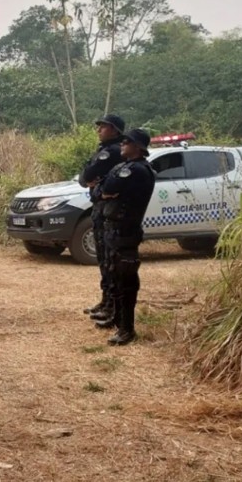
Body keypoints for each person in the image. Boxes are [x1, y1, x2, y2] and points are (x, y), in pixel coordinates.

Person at [95, 129, 156, 346]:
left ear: (138, 147)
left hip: (126, 231)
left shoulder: (139, 170)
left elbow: (108, 187)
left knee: (126, 279)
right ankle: (117, 318)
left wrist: (106, 191)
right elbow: (98, 192)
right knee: (113, 274)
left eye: (127, 141)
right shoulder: (122, 167)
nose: (122, 144)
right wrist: (104, 192)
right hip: (113, 228)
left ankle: (127, 329)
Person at [78, 114, 127, 323]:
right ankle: (106, 300)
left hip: (109, 208)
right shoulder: (104, 149)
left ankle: (111, 305)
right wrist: (89, 178)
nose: (99, 130)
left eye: (103, 127)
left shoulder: (113, 151)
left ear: (115, 130)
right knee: (103, 258)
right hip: (100, 207)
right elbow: (84, 178)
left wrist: (92, 179)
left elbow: (90, 174)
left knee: (109, 259)